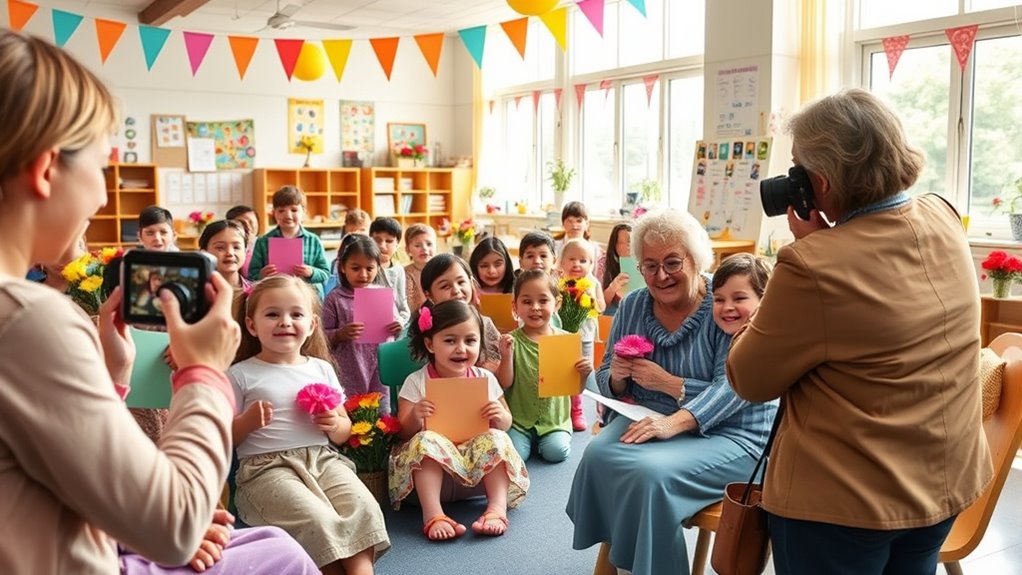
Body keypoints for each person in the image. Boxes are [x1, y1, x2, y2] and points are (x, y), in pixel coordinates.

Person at [0, 28, 318, 574]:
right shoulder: (30, 319)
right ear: (47, 169)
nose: (102, 195)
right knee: (284, 559)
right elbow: (175, 527)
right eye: (99, 168)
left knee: (274, 546)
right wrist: (204, 371)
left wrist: (116, 380)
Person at [726, 88, 991, 575]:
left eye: (798, 170)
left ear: (820, 182)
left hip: (842, 507)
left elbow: (749, 379)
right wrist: (831, 240)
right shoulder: (943, 215)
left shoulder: (811, 264)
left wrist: (814, 250)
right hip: (942, 482)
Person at [565, 209, 777, 575]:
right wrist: (616, 377)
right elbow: (606, 380)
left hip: (731, 431)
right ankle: (634, 560)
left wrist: (668, 388)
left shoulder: (725, 302)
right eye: (649, 266)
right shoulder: (632, 305)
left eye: (673, 262)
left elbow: (734, 386)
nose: (661, 275)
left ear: (696, 259)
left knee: (649, 477)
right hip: (647, 415)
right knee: (598, 455)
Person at [230, 275, 390, 574]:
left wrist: (334, 424)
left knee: (363, 506)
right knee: (317, 519)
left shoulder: (321, 368)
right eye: (272, 314)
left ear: (312, 324)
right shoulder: (240, 374)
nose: (285, 322)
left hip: (324, 459)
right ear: (252, 325)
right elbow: (223, 438)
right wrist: (246, 423)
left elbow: (343, 432)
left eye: (296, 314)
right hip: (266, 468)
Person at [390, 300, 529, 540]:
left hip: (476, 472)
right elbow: (403, 432)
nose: (461, 349)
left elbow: (506, 422)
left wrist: (500, 416)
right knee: (425, 440)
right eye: (450, 340)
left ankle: (496, 508)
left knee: (498, 437)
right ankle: (433, 515)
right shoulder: (416, 381)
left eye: (470, 340)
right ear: (430, 344)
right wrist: (415, 416)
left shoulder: (484, 377)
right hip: (434, 475)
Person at [496, 270, 591, 462]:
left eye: (543, 301)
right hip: (519, 421)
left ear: (556, 304)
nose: (535, 308)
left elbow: (574, 389)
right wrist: (506, 356)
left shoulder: (565, 341)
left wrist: (584, 374)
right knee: (515, 456)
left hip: (554, 421)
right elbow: (505, 383)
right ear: (515, 306)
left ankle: (546, 440)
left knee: (556, 453)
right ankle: (528, 441)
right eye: (527, 301)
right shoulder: (512, 341)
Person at [322, 234, 402, 414]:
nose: (363, 274)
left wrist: (397, 328)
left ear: (378, 267)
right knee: (352, 414)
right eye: (356, 268)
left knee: (381, 413)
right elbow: (322, 337)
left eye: (370, 268)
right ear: (343, 267)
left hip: (378, 367)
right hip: (349, 368)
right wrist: (340, 334)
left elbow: (394, 330)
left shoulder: (383, 295)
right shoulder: (335, 299)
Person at [420, 253, 502, 372]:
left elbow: (496, 362)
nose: (456, 291)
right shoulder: (427, 326)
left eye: (461, 282)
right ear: (428, 295)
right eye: (445, 286)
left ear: (470, 282)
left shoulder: (485, 323)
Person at [247, 185, 331, 299]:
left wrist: (311, 272)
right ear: (274, 213)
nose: (288, 215)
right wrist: (261, 275)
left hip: (306, 297)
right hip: (274, 296)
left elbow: (326, 273)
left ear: (304, 212)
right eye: (281, 210)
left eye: (294, 210)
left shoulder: (314, 241)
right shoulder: (263, 241)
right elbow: (251, 275)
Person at [557, 238, 606, 431]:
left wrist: (589, 299)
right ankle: (562, 410)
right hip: (562, 336)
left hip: (585, 336)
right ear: (561, 262)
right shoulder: (558, 283)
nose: (577, 264)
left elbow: (601, 307)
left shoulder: (592, 283)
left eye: (583, 260)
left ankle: (577, 409)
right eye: (571, 259)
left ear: (592, 265)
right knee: (561, 373)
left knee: (580, 372)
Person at [710, 253, 771, 335]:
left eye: (739, 298)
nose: (727, 307)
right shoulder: (712, 335)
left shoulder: (768, 341)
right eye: (719, 300)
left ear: (763, 299)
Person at [370, 216, 410, 326]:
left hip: (392, 327)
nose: (382, 245)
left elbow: (402, 305)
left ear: (397, 244)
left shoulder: (398, 269)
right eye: (377, 240)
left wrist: (400, 322)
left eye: (389, 241)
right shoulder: (363, 269)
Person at [199, 219, 250, 290]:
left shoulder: (258, 293)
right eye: (220, 248)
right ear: (204, 253)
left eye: (236, 247)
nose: (230, 253)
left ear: (245, 251)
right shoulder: (195, 294)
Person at [554, 201, 602, 268]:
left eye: (579, 221)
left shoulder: (595, 249)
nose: (574, 226)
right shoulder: (554, 247)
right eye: (570, 221)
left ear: (587, 224)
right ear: (563, 224)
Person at [599, 222, 632, 316]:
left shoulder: (645, 263)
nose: (626, 246)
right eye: (620, 242)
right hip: (614, 311)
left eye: (629, 241)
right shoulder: (604, 264)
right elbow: (601, 305)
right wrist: (613, 287)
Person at [403, 223, 436, 312]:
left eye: (429, 244)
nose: (424, 248)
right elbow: (410, 305)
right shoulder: (405, 274)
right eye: (417, 245)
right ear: (408, 250)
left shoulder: (443, 269)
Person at [225, 205, 259, 278]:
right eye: (242, 223)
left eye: (251, 222)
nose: (248, 227)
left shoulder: (265, 246)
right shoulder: (228, 248)